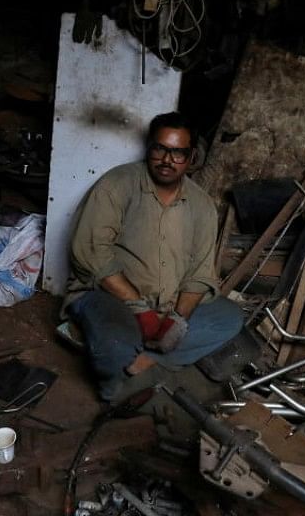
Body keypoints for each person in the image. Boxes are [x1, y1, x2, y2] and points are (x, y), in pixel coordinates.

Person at [64, 112, 244, 401]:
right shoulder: (118, 184)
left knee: (229, 318)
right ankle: (115, 385)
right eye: (160, 149)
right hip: (110, 297)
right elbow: (90, 251)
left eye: (178, 153)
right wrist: (140, 309)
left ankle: (147, 355)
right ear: (149, 147)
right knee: (114, 344)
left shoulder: (201, 206)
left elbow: (199, 273)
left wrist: (178, 319)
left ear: (191, 156)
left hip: (167, 304)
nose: (166, 160)